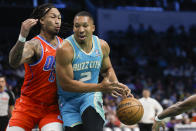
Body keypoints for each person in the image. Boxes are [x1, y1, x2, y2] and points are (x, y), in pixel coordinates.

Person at [55, 11, 131, 131]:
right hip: (68, 101)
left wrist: (116, 85)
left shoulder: (102, 46)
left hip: (90, 96)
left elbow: (107, 69)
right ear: (73, 28)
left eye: (85, 26)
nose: (81, 30)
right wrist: (100, 87)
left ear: (93, 28)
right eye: (77, 26)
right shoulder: (64, 49)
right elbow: (66, 85)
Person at [8, 3, 63, 131]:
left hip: (52, 108)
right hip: (28, 106)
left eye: (59, 18)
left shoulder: (66, 46)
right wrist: (22, 36)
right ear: (42, 20)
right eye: (53, 17)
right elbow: (13, 62)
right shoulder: (34, 45)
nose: (57, 21)